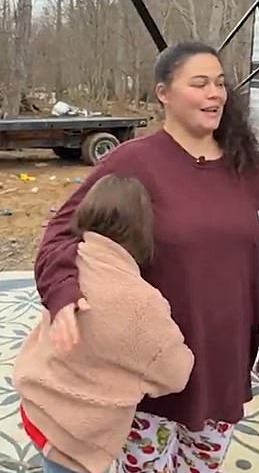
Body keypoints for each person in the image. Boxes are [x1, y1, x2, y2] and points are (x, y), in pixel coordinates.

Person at [33, 42, 259, 472]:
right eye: (199, 83)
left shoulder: (245, 167)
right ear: (164, 94)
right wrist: (63, 294)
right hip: (150, 369)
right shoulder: (133, 161)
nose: (215, 93)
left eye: (219, 83)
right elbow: (61, 234)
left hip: (222, 364)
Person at [14, 174, 194, 473]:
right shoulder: (141, 303)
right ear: (142, 227)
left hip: (36, 409)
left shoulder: (69, 261)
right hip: (74, 441)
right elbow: (177, 374)